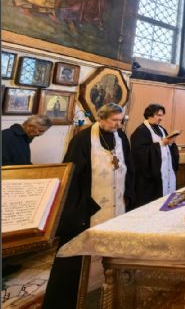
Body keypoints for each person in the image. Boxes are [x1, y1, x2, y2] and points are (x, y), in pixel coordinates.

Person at [42, 103, 134, 309]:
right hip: (90, 207)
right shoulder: (82, 140)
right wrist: (79, 207)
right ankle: (86, 296)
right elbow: (72, 175)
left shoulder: (121, 137)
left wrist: (129, 193)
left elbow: (129, 165)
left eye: (120, 121)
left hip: (118, 203)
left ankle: (112, 289)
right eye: (114, 120)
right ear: (101, 118)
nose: (118, 125)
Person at [130, 104, 179, 208]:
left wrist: (171, 143)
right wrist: (162, 143)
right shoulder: (140, 131)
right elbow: (140, 154)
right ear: (149, 115)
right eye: (158, 115)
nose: (161, 118)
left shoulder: (161, 129)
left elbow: (167, 148)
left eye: (162, 115)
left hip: (166, 173)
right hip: (150, 180)